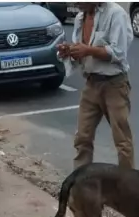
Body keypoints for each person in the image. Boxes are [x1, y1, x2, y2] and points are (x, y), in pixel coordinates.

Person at [57, 2, 134, 170]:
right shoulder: (80, 18)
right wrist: (69, 52)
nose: (75, 3)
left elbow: (119, 52)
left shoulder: (116, 14)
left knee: (122, 140)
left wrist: (88, 50)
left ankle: (128, 182)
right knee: (82, 138)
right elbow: (81, 54)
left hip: (114, 84)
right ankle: (81, 180)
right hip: (91, 83)